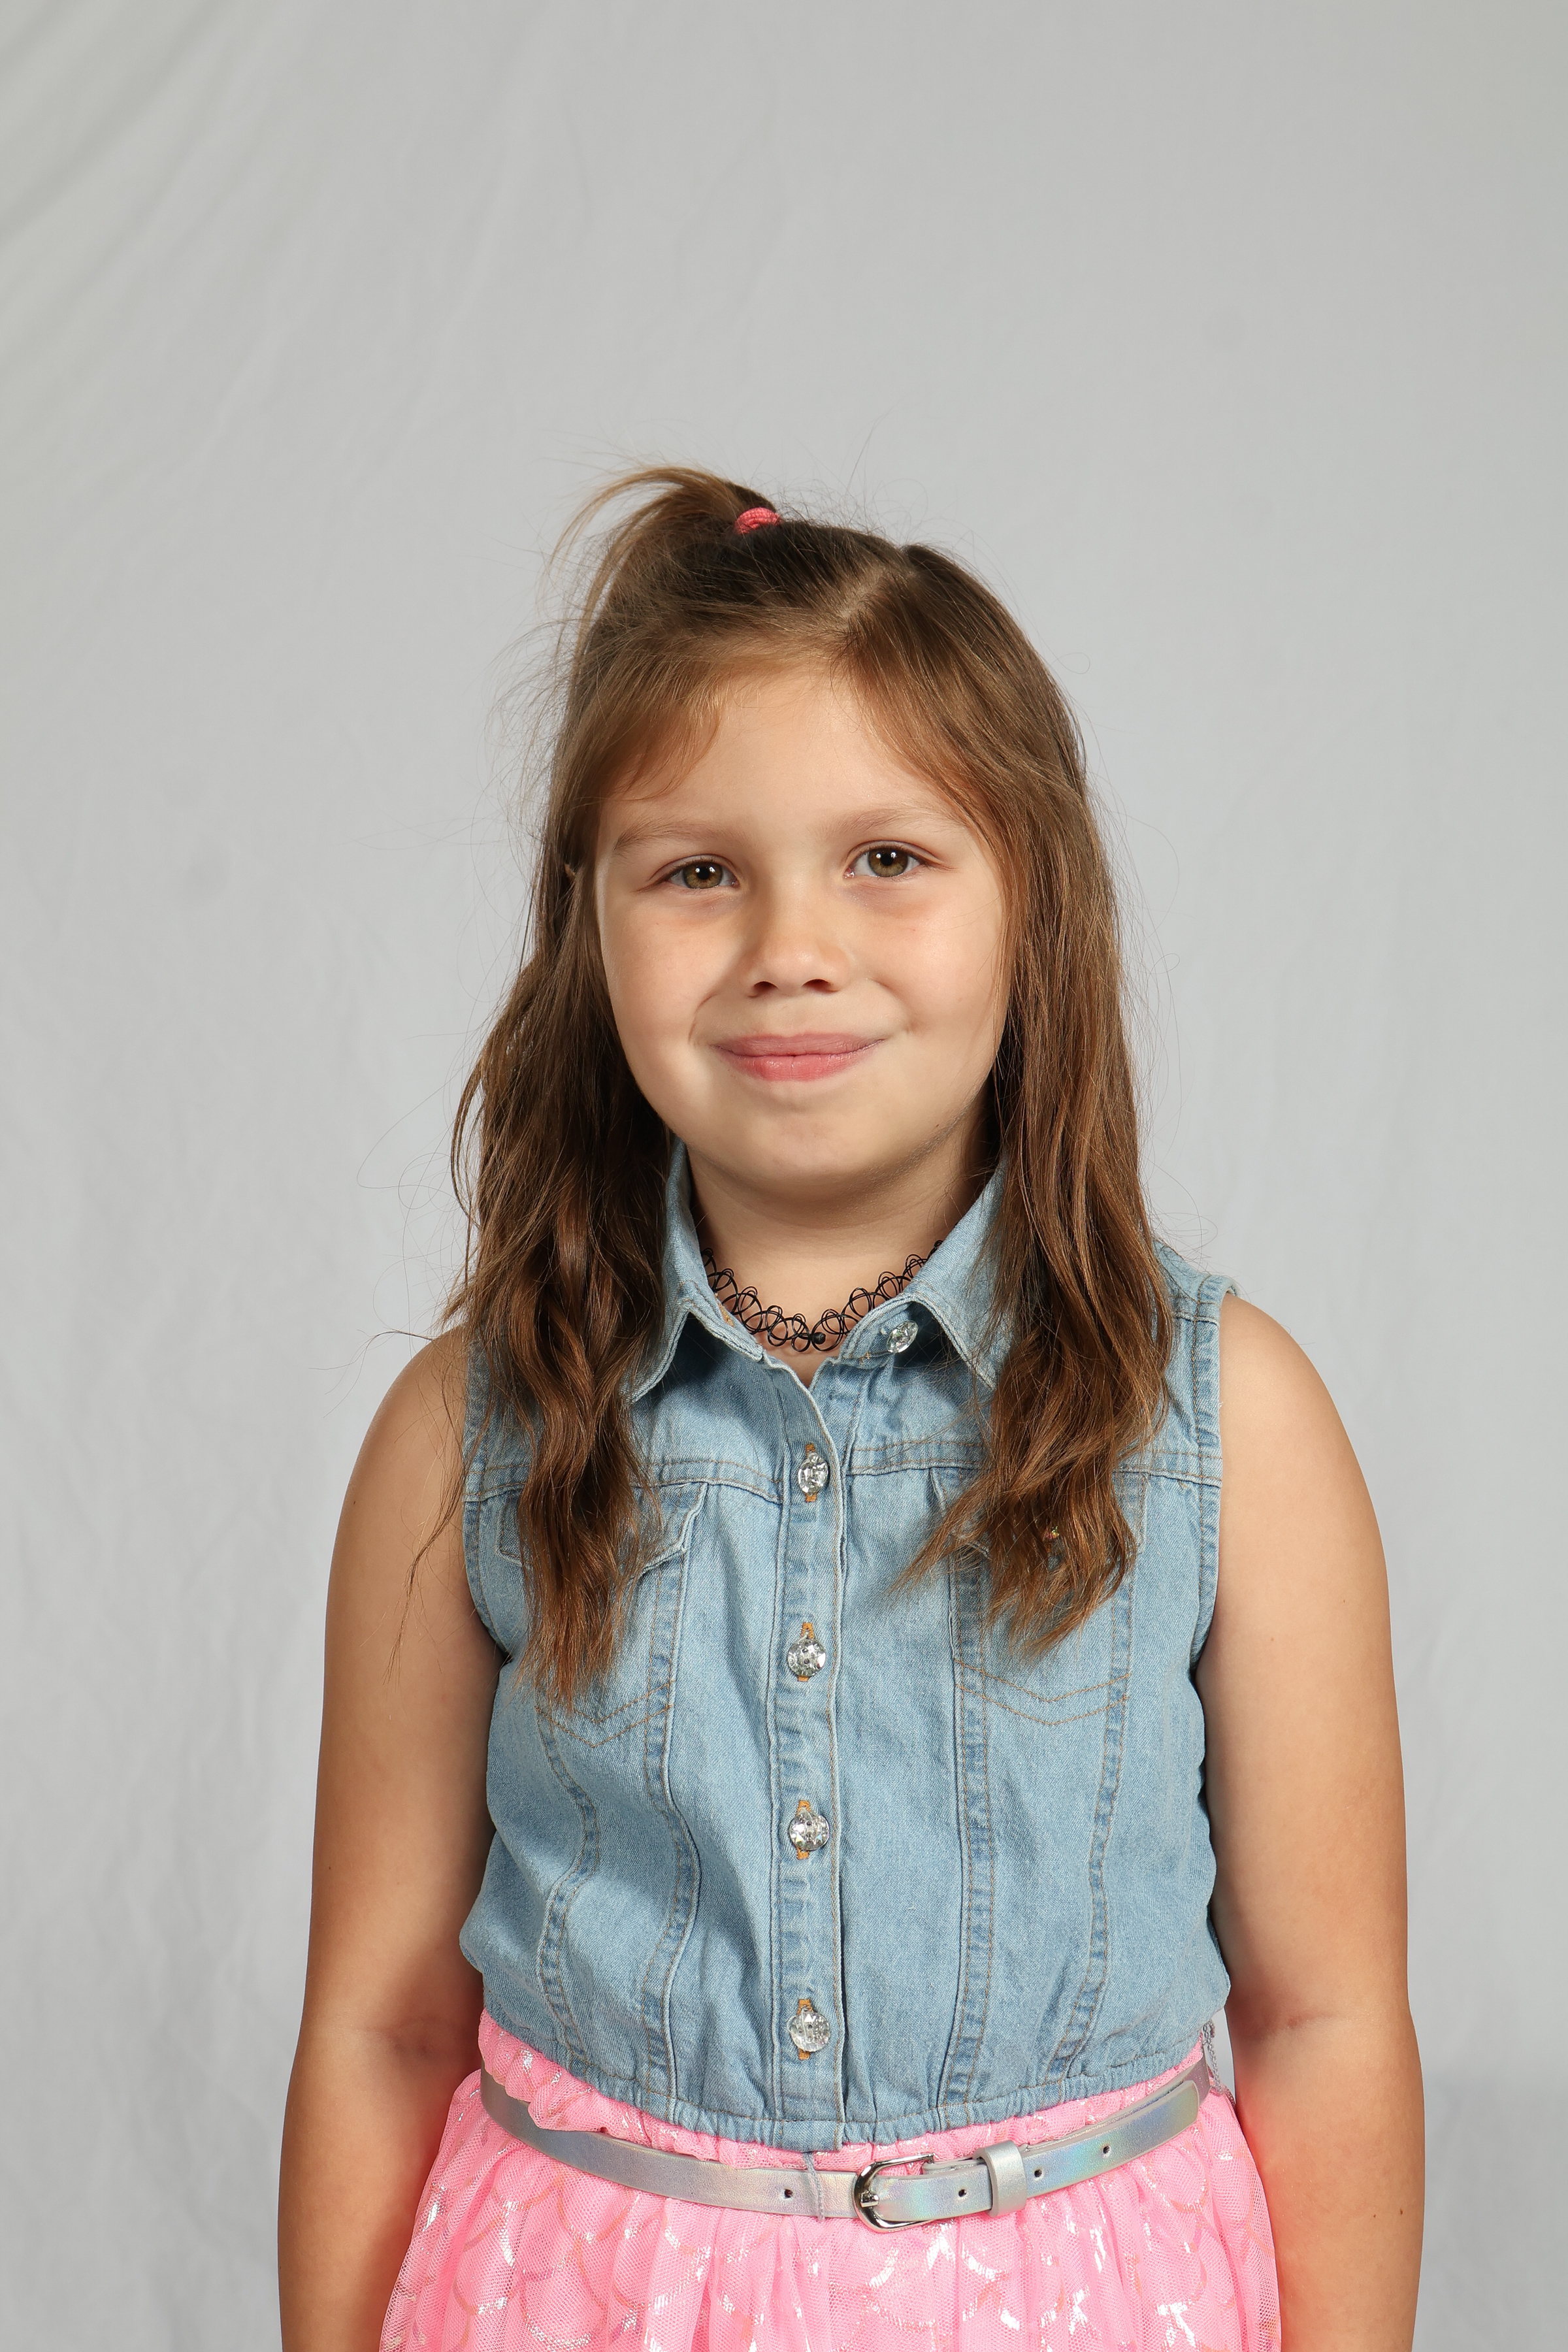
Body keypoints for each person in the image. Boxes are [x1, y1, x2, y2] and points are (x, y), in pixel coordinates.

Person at [277, 471, 1423, 2351]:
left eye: (888, 857)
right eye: (697, 871)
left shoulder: (1231, 1423)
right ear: (587, 922)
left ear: (1032, 905)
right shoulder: (465, 1430)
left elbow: (1326, 2021)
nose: (790, 947)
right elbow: (383, 2027)